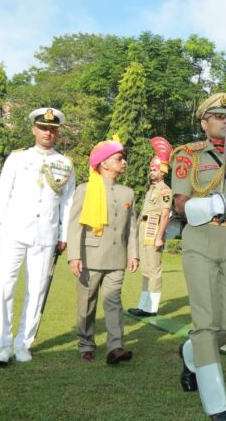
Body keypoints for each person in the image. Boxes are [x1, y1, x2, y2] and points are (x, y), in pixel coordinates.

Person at [172, 93, 226, 421]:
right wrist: (207, 205)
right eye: (219, 116)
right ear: (204, 121)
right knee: (206, 323)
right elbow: (180, 202)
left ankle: (190, 352)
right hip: (202, 238)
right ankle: (217, 404)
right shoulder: (188, 155)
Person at [0, 108, 75, 366]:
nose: (48, 133)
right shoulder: (17, 159)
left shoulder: (66, 163)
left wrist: (63, 234)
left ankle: (23, 343)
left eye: (53, 129)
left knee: (37, 290)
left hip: (45, 232)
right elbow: (2, 194)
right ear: (33, 129)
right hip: (14, 230)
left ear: (58, 132)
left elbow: (67, 203)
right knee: (4, 286)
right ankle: (3, 345)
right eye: (43, 128)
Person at [67, 138, 139, 365]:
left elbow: (132, 228)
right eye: (119, 158)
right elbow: (75, 224)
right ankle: (86, 343)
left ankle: (115, 346)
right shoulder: (85, 189)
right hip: (90, 256)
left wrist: (133, 254)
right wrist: (74, 256)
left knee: (114, 302)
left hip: (117, 257)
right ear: (104, 163)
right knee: (86, 304)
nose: (124, 162)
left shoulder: (128, 192)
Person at [128, 137, 173, 317]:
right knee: (146, 269)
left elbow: (164, 214)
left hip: (154, 230)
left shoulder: (165, 190)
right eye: (151, 169)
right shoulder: (152, 189)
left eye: (154, 169)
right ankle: (143, 305)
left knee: (153, 269)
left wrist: (160, 237)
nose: (151, 172)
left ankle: (151, 307)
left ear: (162, 171)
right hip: (145, 229)